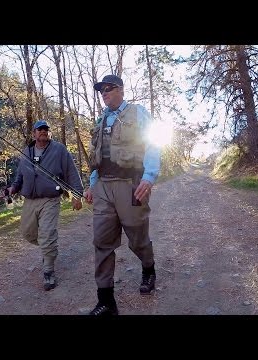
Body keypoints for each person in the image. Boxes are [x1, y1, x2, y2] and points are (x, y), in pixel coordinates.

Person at [83, 74, 161, 315]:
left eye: (109, 89)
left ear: (121, 90)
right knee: (102, 242)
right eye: (101, 90)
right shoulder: (100, 120)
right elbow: (98, 157)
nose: (104, 93)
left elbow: (153, 143)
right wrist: (92, 184)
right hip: (104, 186)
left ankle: (148, 268)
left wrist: (149, 176)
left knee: (137, 238)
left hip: (132, 185)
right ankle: (106, 301)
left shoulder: (138, 113)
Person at [7, 120, 83, 291]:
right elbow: (20, 175)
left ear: (50, 133)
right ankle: (49, 249)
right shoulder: (27, 151)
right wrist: (13, 187)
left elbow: (72, 172)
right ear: (33, 133)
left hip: (51, 199)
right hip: (30, 200)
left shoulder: (59, 150)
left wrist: (77, 195)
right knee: (28, 234)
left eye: (46, 129)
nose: (43, 132)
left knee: (47, 234)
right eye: (39, 129)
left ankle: (48, 270)